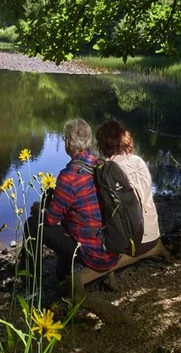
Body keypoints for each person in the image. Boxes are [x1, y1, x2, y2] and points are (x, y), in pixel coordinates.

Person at [23, 118, 119, 281]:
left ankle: (31, 280)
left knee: (32, 224)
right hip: (112, 249)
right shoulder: (100, 164)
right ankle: (63, 273)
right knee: (72, 220)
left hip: (93, 254)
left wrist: (39, 210)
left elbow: (52, 220)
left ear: (67, 142)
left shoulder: (70, 176)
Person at [95, 119, 162, 259]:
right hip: (154, 234)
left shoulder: (109, 171)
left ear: (103, 145)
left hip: (134, 243)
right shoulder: (138, 161)